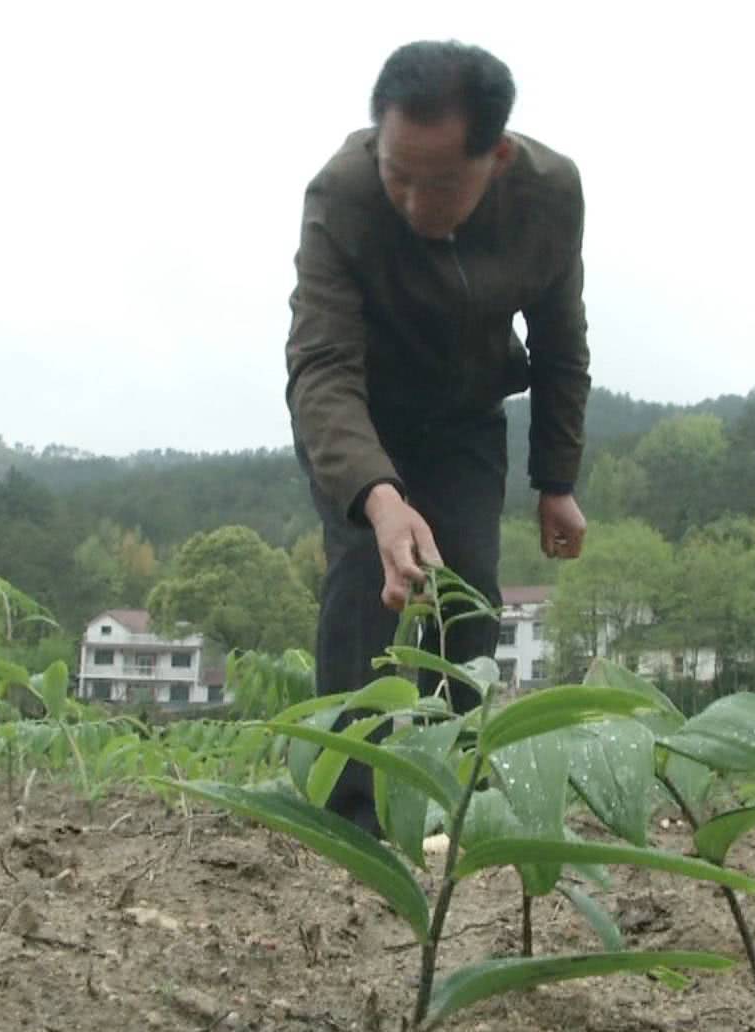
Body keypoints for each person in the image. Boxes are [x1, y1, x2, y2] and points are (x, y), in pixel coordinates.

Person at [284, 40, 593, 833]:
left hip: (464, 418)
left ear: (499, 154)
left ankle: (449, 797)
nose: (416, 205)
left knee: (467, 594)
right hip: (360, 415)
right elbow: (320, 367)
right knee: (368, 588)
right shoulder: (343, 196)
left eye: (444, 183)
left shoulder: (548, 196)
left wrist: (556, 482)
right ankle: (350, 816)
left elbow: (561, 340)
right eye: (398, 175)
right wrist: (378, 498)